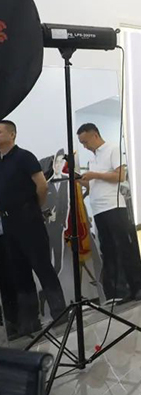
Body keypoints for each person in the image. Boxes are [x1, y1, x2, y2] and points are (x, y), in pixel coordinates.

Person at [0, 120, 66, 336]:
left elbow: (42, 185)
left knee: (42, 265)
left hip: (28, 219)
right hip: (8, 223)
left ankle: (60, 313)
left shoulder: (24, 157)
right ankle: (30, 321)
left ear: (12, 134)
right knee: (19, 272)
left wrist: (33, 208)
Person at [77, 123, 141, 304]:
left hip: (114, 208)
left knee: (124, 248)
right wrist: (80, 180)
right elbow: (93, 185)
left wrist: (95, 175)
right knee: (109, 251)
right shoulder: (93, 159)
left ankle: (137, 287)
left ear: (95, 135)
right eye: (82, 143)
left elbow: (120, 176)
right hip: (99, 210)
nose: (84, 146)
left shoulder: (112, 149)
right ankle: (120, 291)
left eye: (85, 142)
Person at [46, 149, 68, 275]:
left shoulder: (66, 180)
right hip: (48, 225)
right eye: (57, 162)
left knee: (58, 254)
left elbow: (66, 203)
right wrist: (49, 215)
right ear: (53, 164)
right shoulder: (47, 184)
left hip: (59, 225)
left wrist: (63, 222)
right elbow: (42, 206)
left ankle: (56, 275)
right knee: (48, 253)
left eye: (61, 162)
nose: (59, 165)